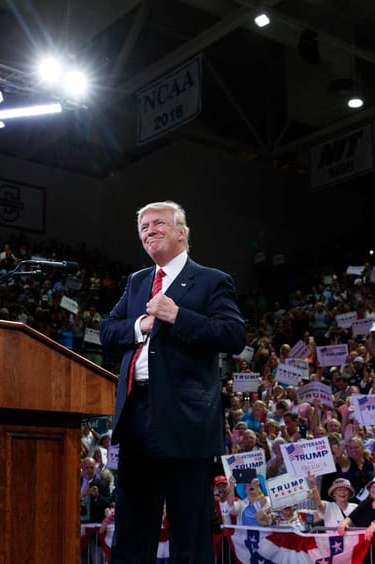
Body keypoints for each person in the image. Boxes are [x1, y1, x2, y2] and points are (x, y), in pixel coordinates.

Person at [100, 201, 246, 563]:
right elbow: (107, 330)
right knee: (132, 529)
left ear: (182, 232)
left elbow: (233, 335)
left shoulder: (212, 280)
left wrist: (177, 315)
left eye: (158, 223)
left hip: (186, 419)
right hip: (136, 415)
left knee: (189, 531)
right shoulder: (138, 282)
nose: (149, 230)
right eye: (144, 227)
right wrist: (140, 325)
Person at [80, 457, 111, 523]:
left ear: (95, 468)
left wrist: (97, 495)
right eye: (87, 468)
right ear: (82, 468)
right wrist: (82, 494)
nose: (89, 470)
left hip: (94, 523)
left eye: (91, 468)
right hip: (77, 521)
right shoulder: (75, 483)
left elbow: (108, 503)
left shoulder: (103, 484)